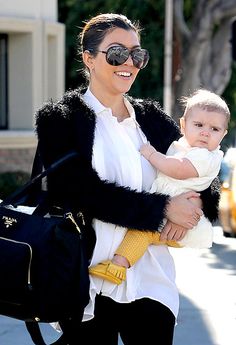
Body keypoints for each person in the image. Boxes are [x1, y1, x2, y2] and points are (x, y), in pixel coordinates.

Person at [35, 13, 220, 345]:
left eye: (137, 54)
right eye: (117, 53)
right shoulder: (60, 119)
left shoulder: (151, 119)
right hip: (87, 279)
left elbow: (204, 176)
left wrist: (193, 204)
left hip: (151, 282)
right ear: (89, 58)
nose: (129, 63)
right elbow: (78, 191)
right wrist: (163, 209)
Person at [89, 89, 230, 285]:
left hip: (180, 224)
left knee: (143, 231)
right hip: (163, 213)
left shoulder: (206, 155)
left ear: (224, 134)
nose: (205, 133)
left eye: (215, 129)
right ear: (183, 125)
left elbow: (179, 170)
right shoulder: (184, 146)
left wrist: (152, 155)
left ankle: (118, 266)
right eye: (198, 125)